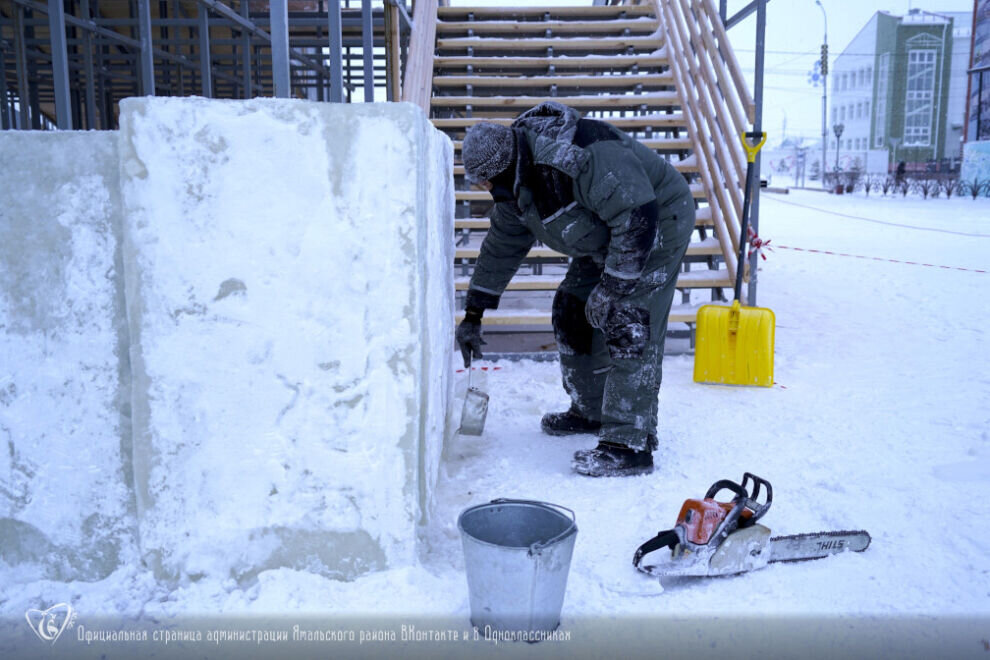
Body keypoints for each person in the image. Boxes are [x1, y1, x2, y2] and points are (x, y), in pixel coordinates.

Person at [455, 102, 696, 478]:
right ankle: (590, 411)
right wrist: (474, 313)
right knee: (572, 309)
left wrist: (615, 286)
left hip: (653, 223)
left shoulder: (579, 157)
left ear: (502, 168)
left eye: (484, 180)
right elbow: (501, 246)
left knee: (629, 321)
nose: (484, 189)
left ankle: (629, 443)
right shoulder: (518, 185)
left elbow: (636, 217)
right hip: (605, 235)